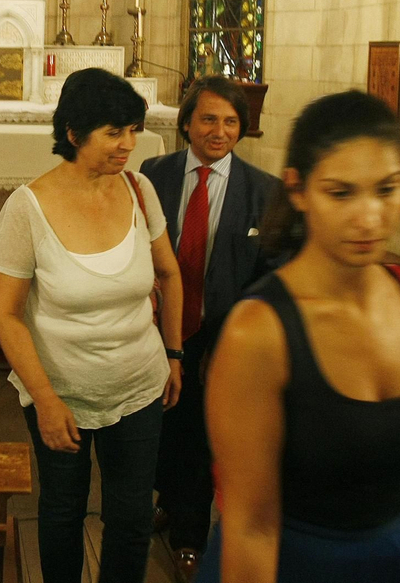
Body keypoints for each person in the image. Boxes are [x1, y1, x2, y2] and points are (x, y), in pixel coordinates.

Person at [199, 90, 400, 583]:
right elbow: (253, 526)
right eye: (341, 193)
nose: (370, 217)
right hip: (306, 565)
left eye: (387, 189)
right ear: (297, 191)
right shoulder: (260, 333)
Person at [0, 67, 185, 583]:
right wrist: (46, 400)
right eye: (113, 132)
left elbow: (169, 273)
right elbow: (7, 315)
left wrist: (173, 353)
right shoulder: (26, 207)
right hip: (61, 391)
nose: (128, 144)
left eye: (132, 131)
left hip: (140, 387)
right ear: (74, 134)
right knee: (61, 512)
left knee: (131, 518)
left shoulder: (140, 190)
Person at [139, 75, 283, 571]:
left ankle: (189, 535)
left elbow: (269, 277)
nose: (218, 131)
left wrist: (240, 343)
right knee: (159, 425)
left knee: (201, 436)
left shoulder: (265, 192)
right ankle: (166, 500)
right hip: (157, 331)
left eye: (229, 121)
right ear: (185, 124)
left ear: (241, 128)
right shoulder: (151, 175)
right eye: (207, 119)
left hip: (220, 337)